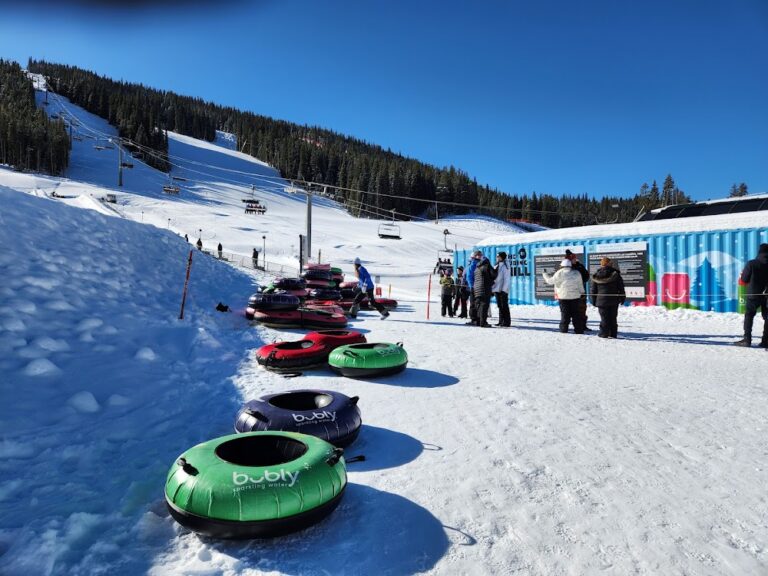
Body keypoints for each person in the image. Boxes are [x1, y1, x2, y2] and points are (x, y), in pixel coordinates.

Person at [734, 243, 768, 347]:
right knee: (767, 318)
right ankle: (766, 341)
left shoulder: (752, 263)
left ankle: (747, 339)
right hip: (767, 295)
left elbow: (744, 280)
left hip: (753, 294)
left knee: (749, 316)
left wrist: (742, 276)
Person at [543, 259, 586, 334]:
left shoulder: (559, 273)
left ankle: (563, 329)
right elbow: (580, 284)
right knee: (576, 314)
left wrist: (545, 275)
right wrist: (582, 292)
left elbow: (550, 281)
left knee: (565, 314)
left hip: (563, 297)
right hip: (575, 297)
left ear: (562, 265)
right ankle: (579, 330)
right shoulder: (576, 273)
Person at [590, 257, 626, 338]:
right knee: (613, 317)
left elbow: (593, 290)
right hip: (613, 300)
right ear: (609, 264)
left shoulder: (596, 275)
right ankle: (613, 333)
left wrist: (593, 300)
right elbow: (621, 287)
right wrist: (622, 297)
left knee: (604, 317)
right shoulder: (615, 274)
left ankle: (604, 333)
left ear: (601, 264)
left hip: (601, 301)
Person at [565, 249, 591, 331]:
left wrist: (580, 280)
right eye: (573, 259)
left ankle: (582, 325)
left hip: (580, 291)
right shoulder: (565, 267)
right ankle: (566, 326)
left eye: (575, 259)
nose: (574, 260)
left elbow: (586, 276)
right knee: (568, 310)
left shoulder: (580, 266)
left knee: (582, 309)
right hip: (569, 292)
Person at [473, 251, 496, 327]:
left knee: (479, 305)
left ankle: (478, 321)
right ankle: (483, 323)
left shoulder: (477, 268)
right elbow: (494, 275)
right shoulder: (487, 266)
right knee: (484, 305)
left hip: (476, 289)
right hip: (484, 288)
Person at [492, 251, 511, 327]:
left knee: (504, 306)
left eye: (498, 256)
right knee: (500, 306)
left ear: (502, 257)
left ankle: (506, 322)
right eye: (497, 256)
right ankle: (500, 321)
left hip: (502, 290)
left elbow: (507, 279)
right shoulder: (496, 265)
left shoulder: (505, 266)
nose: (497, 258)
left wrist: (504, 290)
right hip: (496, 289)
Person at [465, 250, 481, 325]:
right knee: (473, 303)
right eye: (478, 255)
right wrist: (472, 286)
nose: (479, 256)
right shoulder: (473, 263)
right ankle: (474, 319)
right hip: (474, 287)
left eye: (480, 255)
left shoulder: (480, 263)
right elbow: (469, 276)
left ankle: (478, 318)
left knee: (478, 303)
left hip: (479, 286)